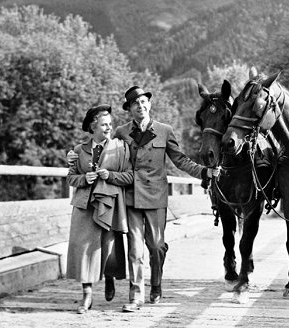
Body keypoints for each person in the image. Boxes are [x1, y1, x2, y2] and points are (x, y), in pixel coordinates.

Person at [115, 86, 219, 312]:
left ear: (149, 104)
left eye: (143, 102)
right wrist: (79, 155)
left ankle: (156, 283)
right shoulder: (121, 132)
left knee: (156, 246)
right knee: (135, 249)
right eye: (135, 104)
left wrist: (204, 172)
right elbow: (108, 157)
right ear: (130, 109)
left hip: (156, 197)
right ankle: (136, 296)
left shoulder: (164, 130)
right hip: (131, 196)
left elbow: (180, 160)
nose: (140, 106)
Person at [66, 104, 133, 314]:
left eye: (110, 124)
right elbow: (70, 178)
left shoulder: (120, 148)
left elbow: (130, 176)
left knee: (108, 248)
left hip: (109, 204)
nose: (108, 128)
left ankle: (109, 276)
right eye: (104, 125)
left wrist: (110, 176)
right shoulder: (78, 150)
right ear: (92, 127)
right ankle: (86, 296)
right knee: (84, 248)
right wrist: (84, 178)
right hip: (84, 205)